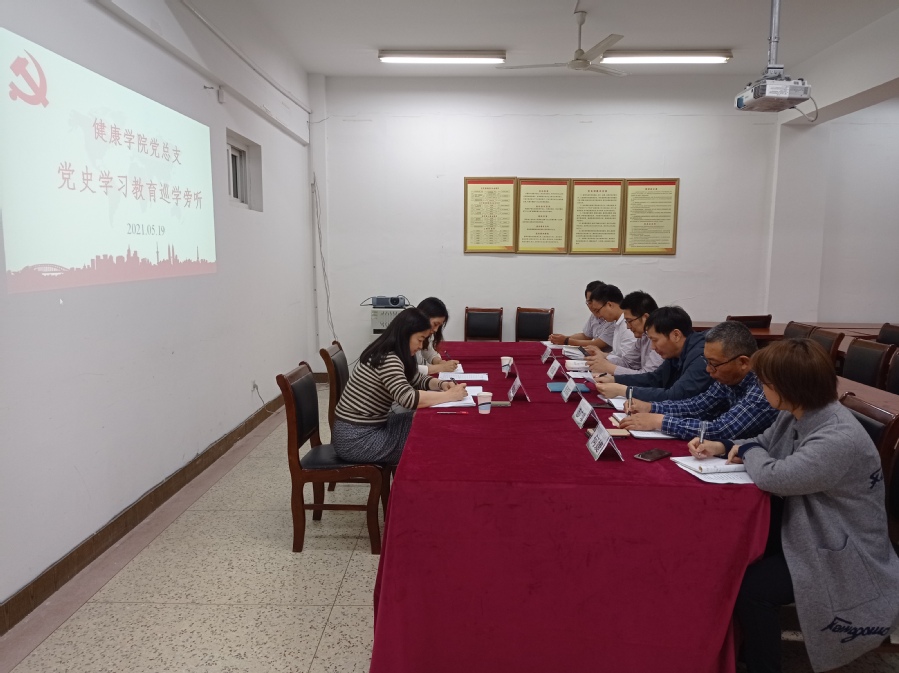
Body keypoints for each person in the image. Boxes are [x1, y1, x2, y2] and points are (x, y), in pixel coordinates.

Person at [689, 339, 899, 673]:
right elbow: (762, 443)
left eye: (765, 383)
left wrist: (748, 452)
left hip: (842, 547)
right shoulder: (798, 413)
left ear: (786, 388)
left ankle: (762, 664)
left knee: (753, 588)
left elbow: (775, 476)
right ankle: (734, 646)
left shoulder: (837, 436)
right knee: (728, 548)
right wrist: (723, 446)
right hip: (809, 524)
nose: (761, 389)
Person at [332, 307, 468, 464]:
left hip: (367, 427)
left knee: (427, 422)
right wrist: (449, 396)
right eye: (420, 339)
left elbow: (417, 379)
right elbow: (408, 398)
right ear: (405, 335)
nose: (421, 346)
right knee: (426, 438)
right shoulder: (388, 359)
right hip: (356, 439)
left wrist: (441, 384)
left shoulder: (395, 353)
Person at [618, 320, 777, 440]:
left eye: (713, 364)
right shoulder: (728, 376)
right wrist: (651, 407)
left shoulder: (764, 388)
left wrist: (660, 421)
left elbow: (720, 430)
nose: (708, 369)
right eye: (707, 362)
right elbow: (698, 405)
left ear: (743, 362)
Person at [594, 306, 712, 402]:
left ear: (676, 335)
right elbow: (655, 378)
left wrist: (624, 391)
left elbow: (675, 395)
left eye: (655, 340)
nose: (652, 347)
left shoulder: (702, 356)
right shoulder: (676, 352)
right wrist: (615, 379)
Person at [587, 290, 663, 376]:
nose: (628, 327)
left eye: (629, 321)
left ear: (645, 317)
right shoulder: (643, 336)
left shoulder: (660, 338)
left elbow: (648, 376)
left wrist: (609, 368)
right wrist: (604, 361)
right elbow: (628, 362)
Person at [548, 280, 615, 349]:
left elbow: (597, 344)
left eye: (595, 301)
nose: (593, 306)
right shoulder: (594, 316)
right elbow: (586, 336)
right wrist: (562, 338)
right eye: (589, 302)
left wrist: (566, 341)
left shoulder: (613, 319)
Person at [580, 284, 635, 362]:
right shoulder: (618, 323)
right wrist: (601, 354)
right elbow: (617, 355)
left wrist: (603, 359)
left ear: (609, 305)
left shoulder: (628, 326)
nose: (599, 315)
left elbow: (628, 363)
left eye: (598, 311)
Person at [415, 297, 459, 375]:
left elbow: (428, 352)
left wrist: (439, 362)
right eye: (435, 324)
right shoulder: (406, 336)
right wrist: (440, 367)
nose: (436, 330)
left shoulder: (423, 334)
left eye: (439, 326)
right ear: (423, 317)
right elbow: (408, 369)